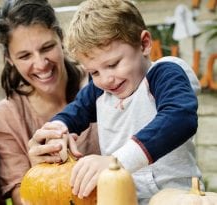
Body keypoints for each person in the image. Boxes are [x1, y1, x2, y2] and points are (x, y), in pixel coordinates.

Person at [29, 0, 203, 204]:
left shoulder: (164, 74)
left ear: (144, 44)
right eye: (94, 72)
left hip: (175, 196)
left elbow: (179, 118)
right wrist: (58, 132)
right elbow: (74, 113)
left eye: (112, 64)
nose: (105, 79)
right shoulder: (100, 90)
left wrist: (115, 163)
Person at [0, 0, 100, 204]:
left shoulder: (100, 82)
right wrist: (37, 173)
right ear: (9, 59)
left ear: (61, 38)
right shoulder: (7, 115)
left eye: (47, 47)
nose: (41, 64)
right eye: (24, 56)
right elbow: (21, 199)